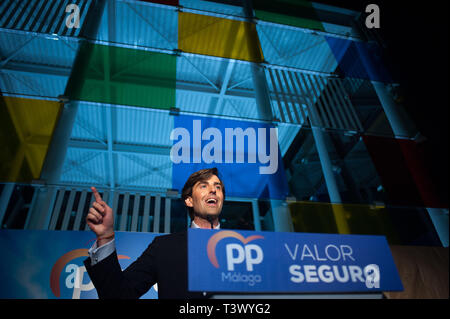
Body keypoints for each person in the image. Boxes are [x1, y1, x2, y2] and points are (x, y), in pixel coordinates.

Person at [83, 167, 225, 299]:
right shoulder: (164, 247)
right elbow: (118, 294)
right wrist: (105, 237)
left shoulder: (245, 248)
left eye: (217, 187)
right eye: (204, 186)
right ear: (189, 201)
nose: (213, 190)